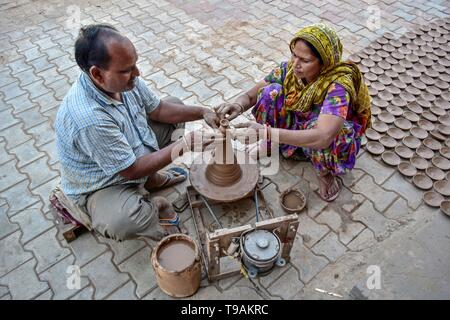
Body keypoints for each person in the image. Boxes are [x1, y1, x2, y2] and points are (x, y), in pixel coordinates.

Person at [54, 24, 219, 241]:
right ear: (97, 74)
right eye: (126, 70)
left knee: (175, 106)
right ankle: (156, 205)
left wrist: (202, 111)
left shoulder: (124, 81)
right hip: (103, 183)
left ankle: (152, 181)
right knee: (124, 221)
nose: (137, 73)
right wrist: (185, 145)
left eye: (134, 65)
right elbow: (130, 171)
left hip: (127, 154)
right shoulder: (88, 119)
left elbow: (159, 110)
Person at [215, 23, 371, 202]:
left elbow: (322, 136)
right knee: (270, 93)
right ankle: (270, 144)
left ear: (325, 61)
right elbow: (251, 95)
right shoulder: (289, 69)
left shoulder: (338, 86)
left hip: (322, 135)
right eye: (294, 55)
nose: (295, 64)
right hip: (298, 124)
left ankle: (325, 172)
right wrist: (238, 105)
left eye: (305, 60)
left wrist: (267, 132)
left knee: (332, 131)